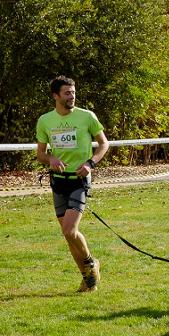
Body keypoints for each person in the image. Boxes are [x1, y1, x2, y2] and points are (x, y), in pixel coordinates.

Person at [36, 76, 110, 292]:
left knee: (70, 230)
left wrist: (90, 163)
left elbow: (104, 144)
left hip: (79, 181)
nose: (72, 96)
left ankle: (91, 263)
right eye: (67, 93)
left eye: (74, 92)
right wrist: (51, 159)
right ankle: (88, 279)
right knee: (69, 236)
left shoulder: (87, 117)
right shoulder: (45, 121)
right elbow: (41, 153)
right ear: (56, 96)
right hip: (58, 181)